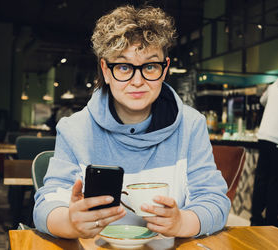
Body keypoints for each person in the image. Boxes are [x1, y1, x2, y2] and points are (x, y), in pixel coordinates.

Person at [33, 5, 230, 239]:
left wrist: (182, 222)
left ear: (164, 69)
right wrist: (69, 221)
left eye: (149, 66)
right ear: (106, 70)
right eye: (124, 67)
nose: (137, 81)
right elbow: (46, 204)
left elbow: (215, 200)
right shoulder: (75, 128)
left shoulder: (191, 124)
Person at [250, 75, 278, 227]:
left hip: (264, 137)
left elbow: (262, 101)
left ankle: (255, 218)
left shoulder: (275, 83)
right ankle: (271, 221)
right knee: (276, 182)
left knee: (261, 178)